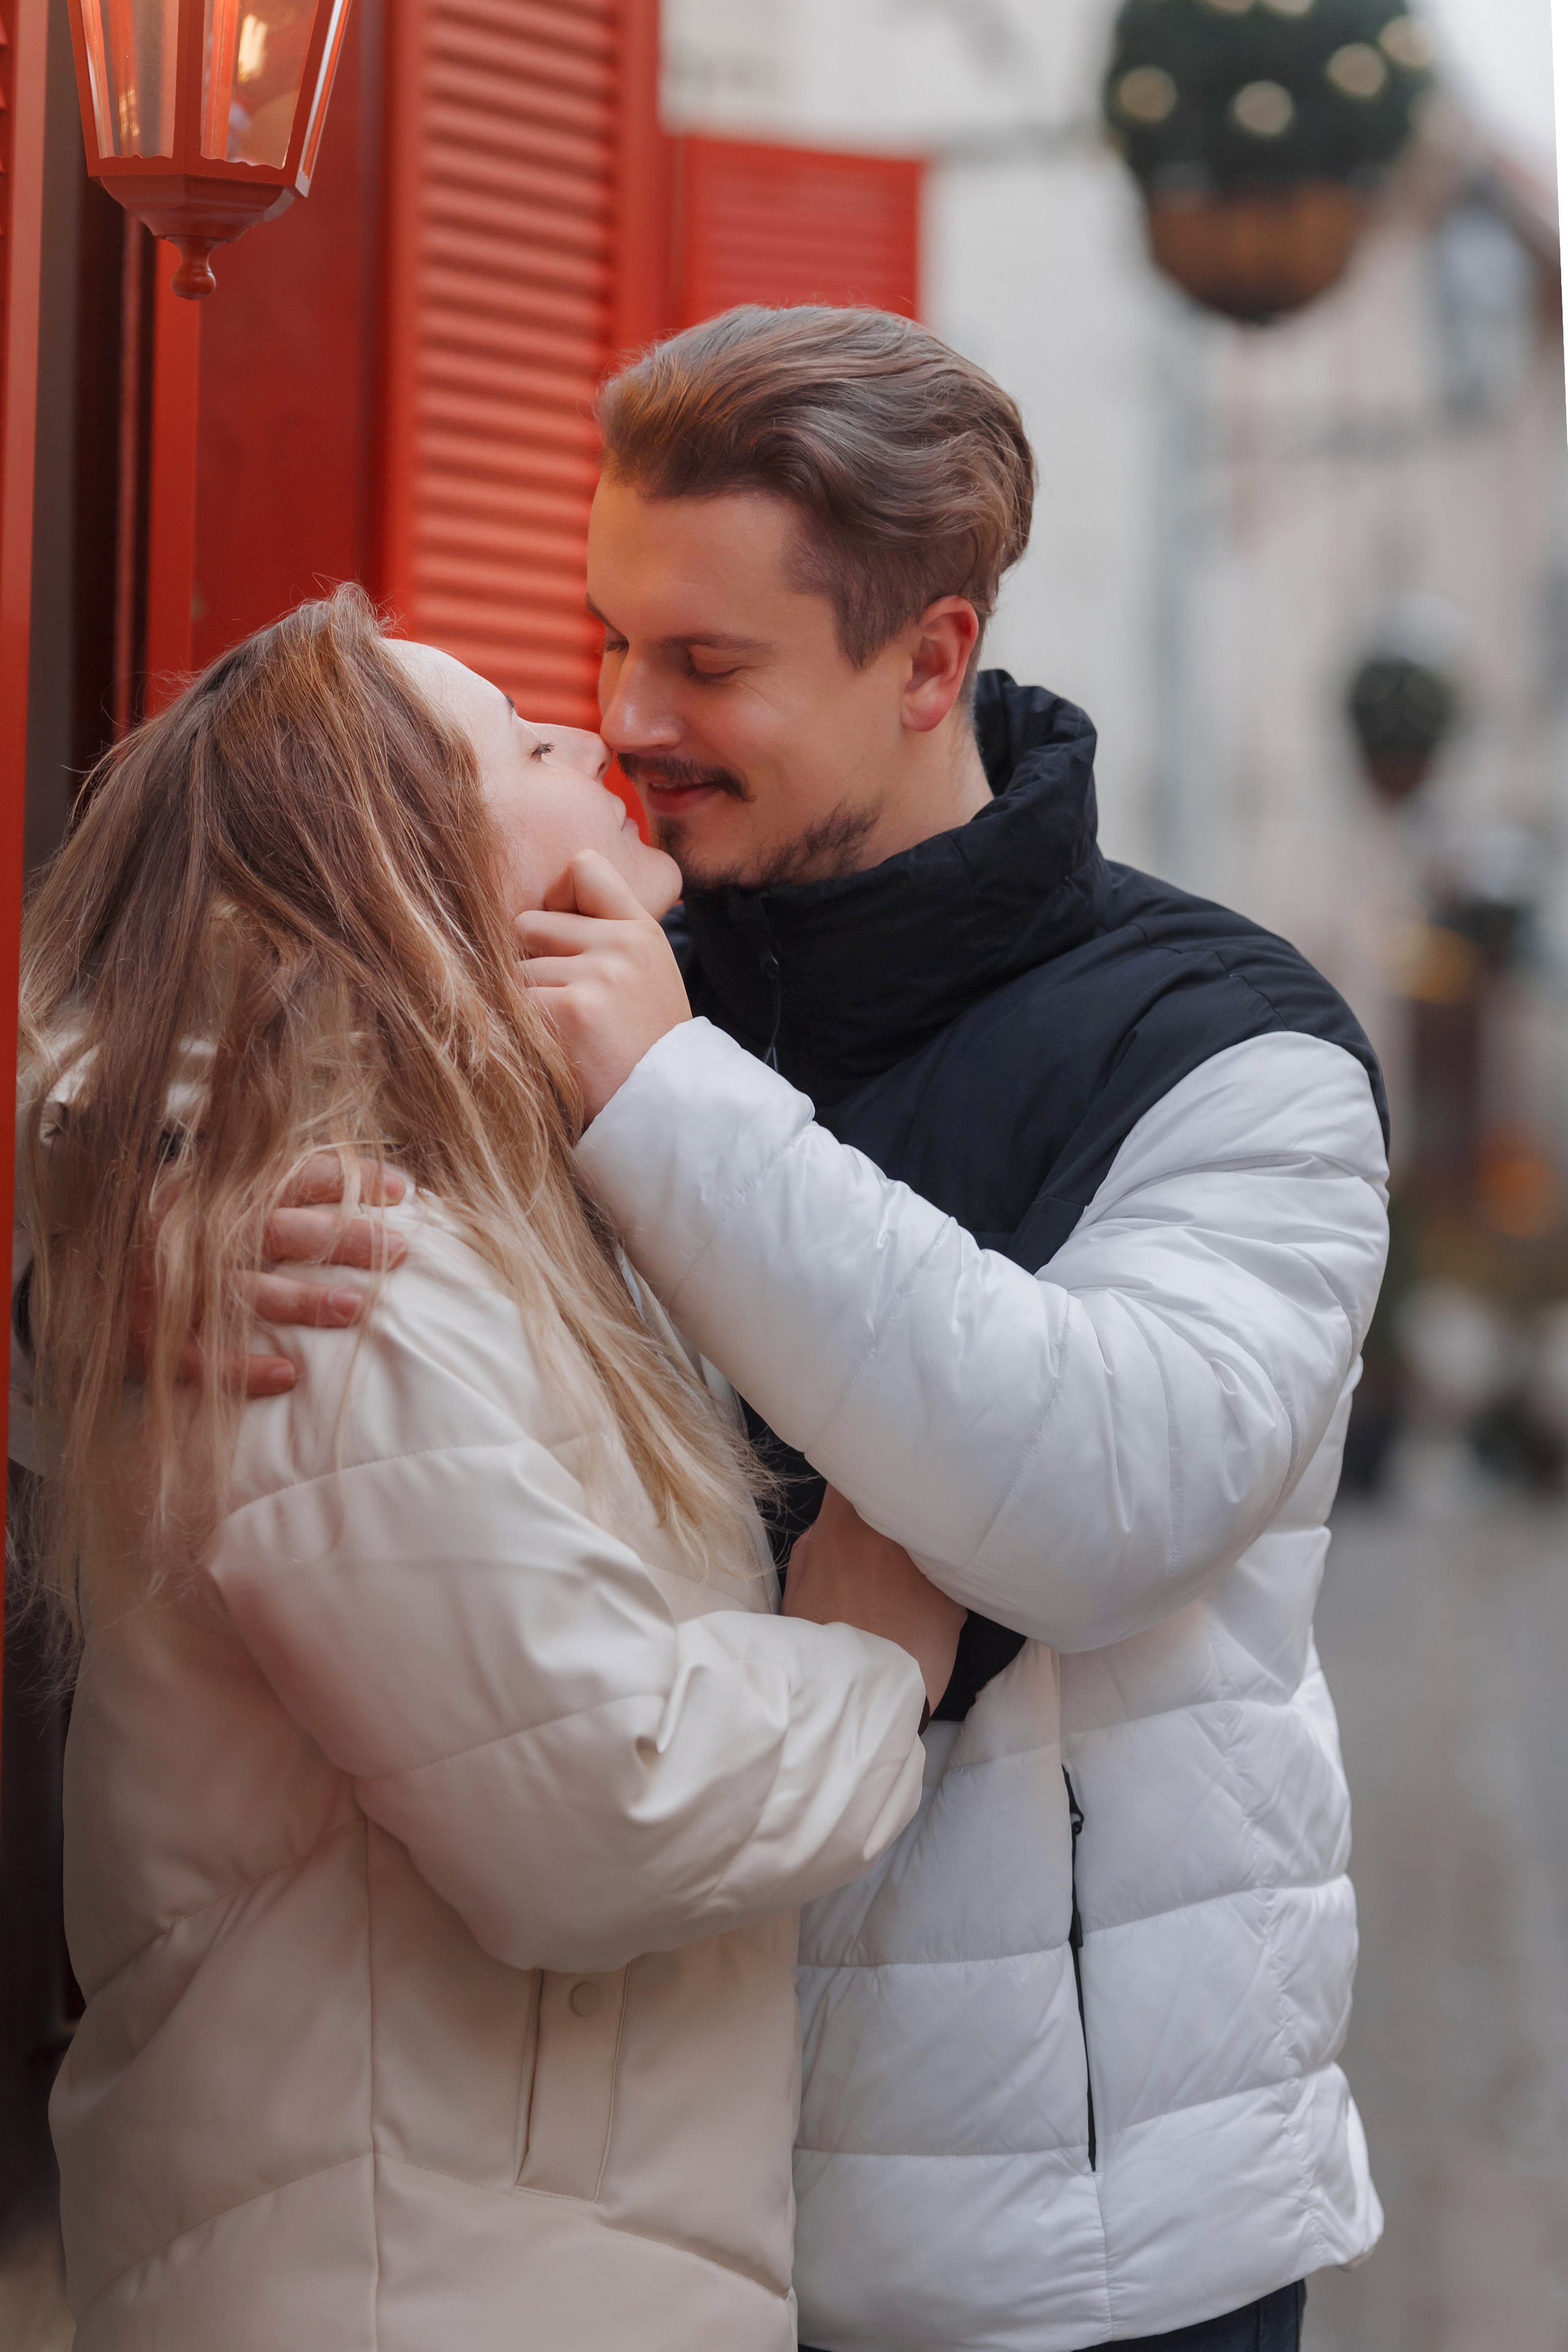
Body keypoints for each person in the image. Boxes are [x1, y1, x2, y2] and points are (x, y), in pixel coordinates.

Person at [232, 307, 1390, 2350]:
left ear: (931, 660)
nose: (624, 717)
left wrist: (673, 1103)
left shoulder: (1231, 1052)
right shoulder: (577, 964)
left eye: (707, 662)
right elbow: (182, 1065)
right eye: (611, 640)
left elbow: (1092, 1502)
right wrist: (146, 1278)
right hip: (627, 2246)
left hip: (1073, 2273)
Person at [12, 587, 963, 2352]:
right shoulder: (344, 1270)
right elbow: (596, 1813)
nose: (591, 735)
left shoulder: (449, 1212)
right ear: (400, 868)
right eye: (524, 744)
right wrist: (875, 1666)